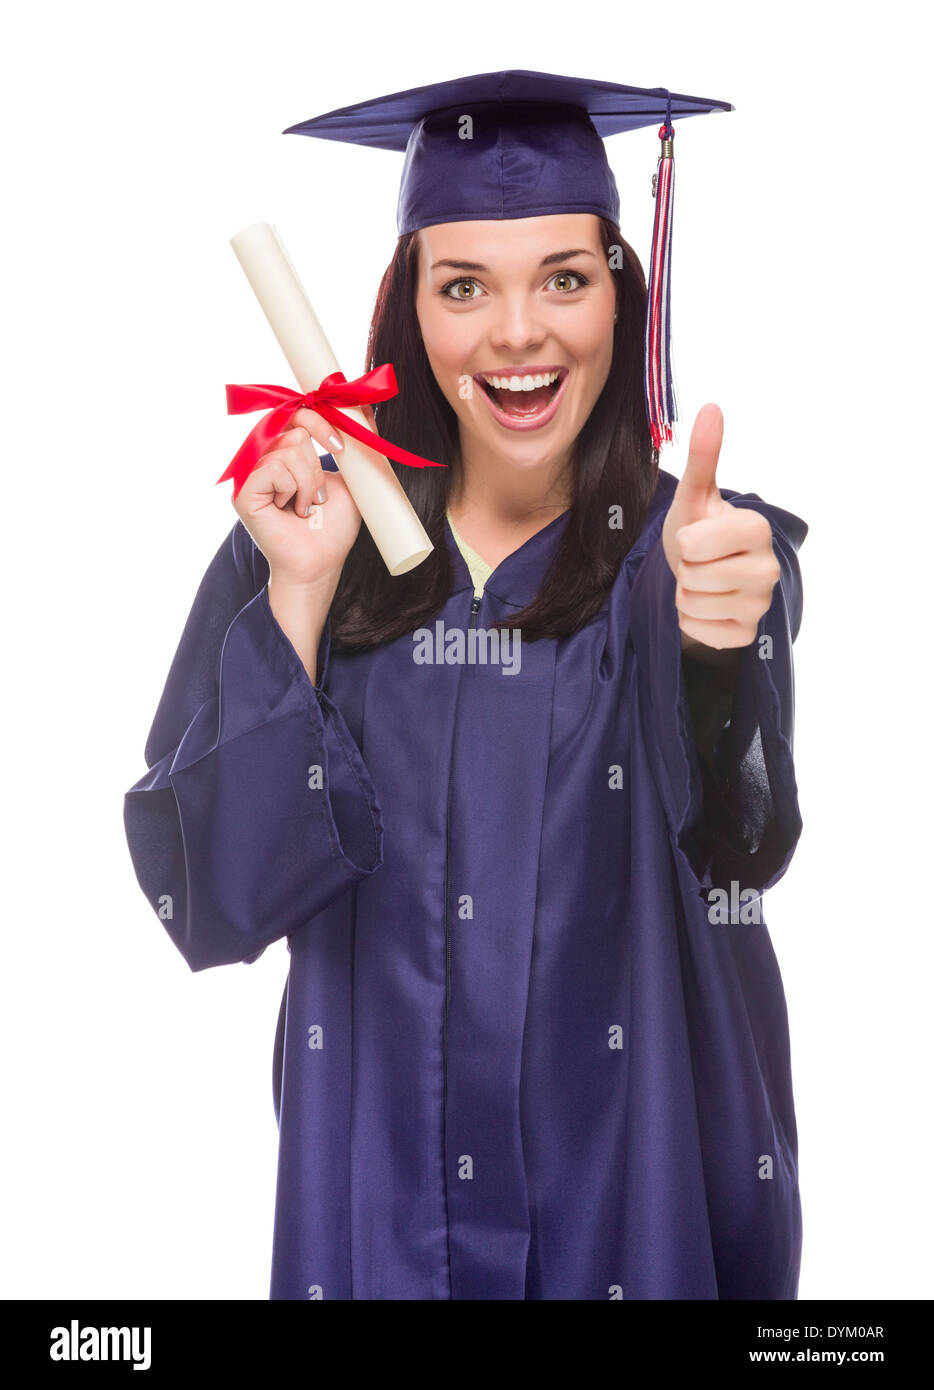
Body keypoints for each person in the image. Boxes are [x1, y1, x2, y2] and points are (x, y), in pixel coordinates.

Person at [123, 71, 808, 1300]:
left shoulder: (695, 556)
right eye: (462, 287)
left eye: (563, 277)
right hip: (376, 1220)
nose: (517, 334)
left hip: (631, 1213)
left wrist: (721, 650)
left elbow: (741, 842)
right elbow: (213, 900)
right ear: (406, 314)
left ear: (620, 296)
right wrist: (295, 597)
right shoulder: (310, 546)